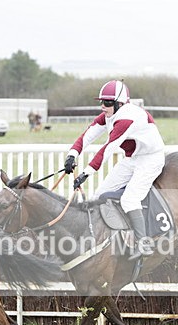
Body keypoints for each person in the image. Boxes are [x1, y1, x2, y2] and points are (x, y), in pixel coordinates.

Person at [64, 80, 166, 260]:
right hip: (132, 158)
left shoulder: (126, 118)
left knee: (129, 199)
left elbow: (108, 148)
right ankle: (104, 236)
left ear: (120, 104)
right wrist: (72, 155)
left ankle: (144, 243)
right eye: (101, 102)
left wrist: (85, 173)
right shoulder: (109, 114)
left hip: (151, 159)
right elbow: (87, 136)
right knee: (100, 194)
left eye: (108, 103)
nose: (103, 107)